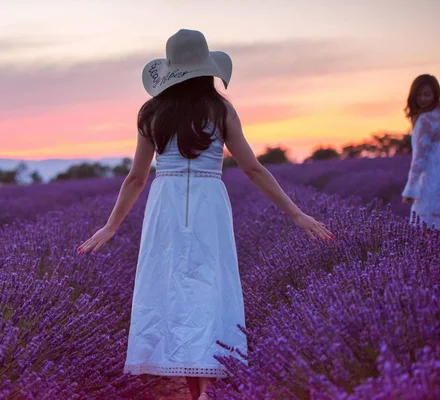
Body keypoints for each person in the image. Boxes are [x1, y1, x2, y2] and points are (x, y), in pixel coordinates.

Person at [77, 29, 334, 400]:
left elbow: (135, 178)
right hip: (208, 201)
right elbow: (253, 169)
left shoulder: (151, 113)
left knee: (170, 288)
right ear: (206, 68)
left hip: (164, 203)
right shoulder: (220, 109)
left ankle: (195, 385)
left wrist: (111, 226)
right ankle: (205, 387)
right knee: (208, 287)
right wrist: (296, 214)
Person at [401, 74, 440, 230]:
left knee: (424, 231)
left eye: (427, 94)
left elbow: (419, 159)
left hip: (429, 183)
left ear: (435, 94)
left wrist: (410, 189)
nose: (423, 99)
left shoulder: (425, 119)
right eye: (419, 95)